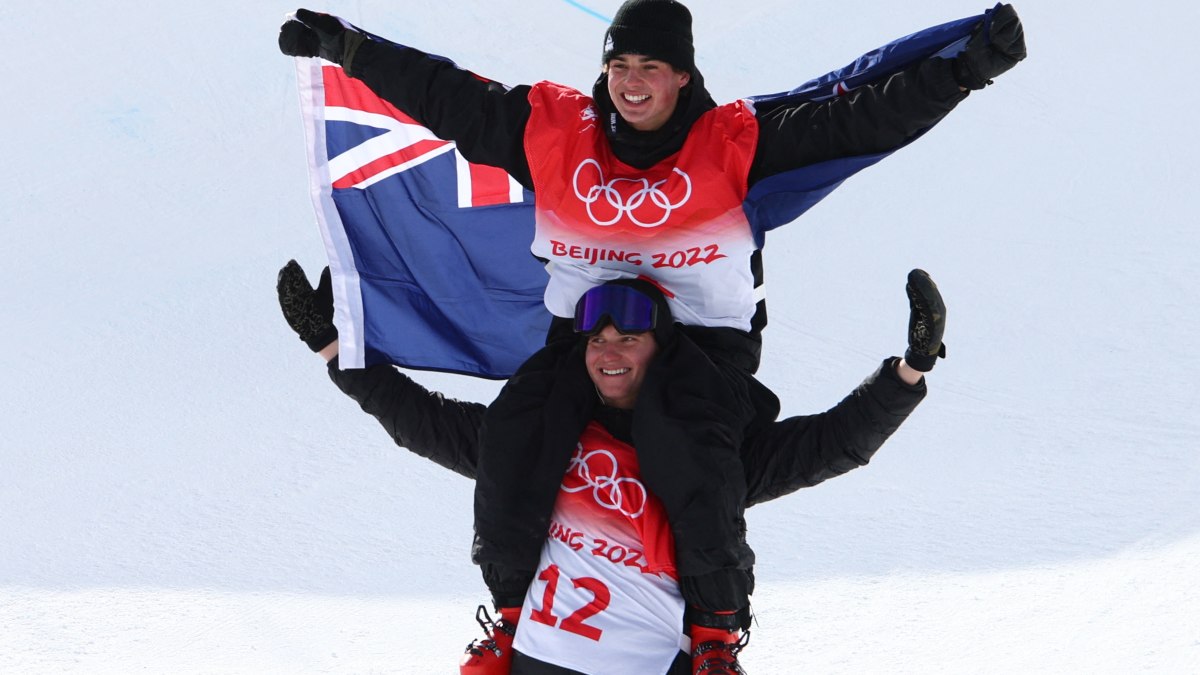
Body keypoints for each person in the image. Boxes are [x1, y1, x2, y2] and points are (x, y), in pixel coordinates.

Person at [278, 0, 1016, 657]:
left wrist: (962, 73)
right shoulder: (557, 135)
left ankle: (710, 632)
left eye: (651, 67)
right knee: (517, 444)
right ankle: (518, 613)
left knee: (677, 456)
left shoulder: (735, 145)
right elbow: (450, 99)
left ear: (684, 77)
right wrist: (351, 49)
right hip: (577, 355)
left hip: (700, 366)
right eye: (620, 64)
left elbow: (857, 119)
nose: (632, 82)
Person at [277, 261, 948, 674]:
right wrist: (334, 348)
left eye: (630, 336)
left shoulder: (708, 453)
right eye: (597, 339)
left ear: (662, 351)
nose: (610, 350)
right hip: (540, 657)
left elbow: (829, 444)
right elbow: (417, 419)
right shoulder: (534, 439)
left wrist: (910, 370)